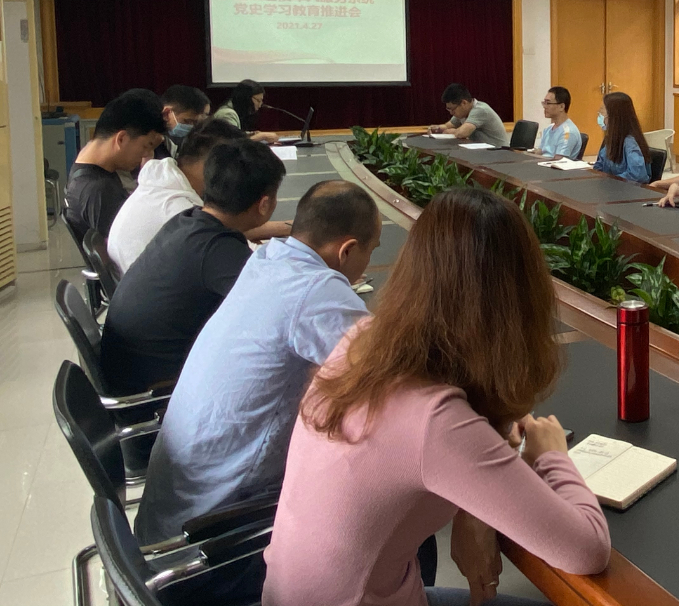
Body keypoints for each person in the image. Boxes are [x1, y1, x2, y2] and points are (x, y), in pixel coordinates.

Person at [262, 187, 610, 606]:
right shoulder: (434, 418)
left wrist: (474, 508)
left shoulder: (363, 343)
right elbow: (586, 549)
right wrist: (552, 455)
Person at [134, 182, 382, 591]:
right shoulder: (315, 291)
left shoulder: (268, 259)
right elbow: (392, 373)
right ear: (347, 250)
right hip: (212, 548)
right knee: (393, 525)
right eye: (371, 251)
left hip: (164, 529)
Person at [100, 139, 286, 395]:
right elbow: (278, 311)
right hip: (155, 390)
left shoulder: (187, 220)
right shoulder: (218, 249)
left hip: (128, 368)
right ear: (264, 204)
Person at [107, 119, 293, 274]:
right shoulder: (179, 210)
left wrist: (288, 228)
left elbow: (228, 229)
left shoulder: (164, 183)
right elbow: (252, 263)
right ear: (212, 163)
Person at [64, 88, 168, 247]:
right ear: (121, 139)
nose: (147, 155)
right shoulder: (99, 191)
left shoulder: (86, 164)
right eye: (147, 146)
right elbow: (137, 249)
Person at [592, 91, 650, 184]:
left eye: (602, 111)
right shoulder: (611, 139)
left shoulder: (630, 142)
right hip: (611, 187)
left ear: (614, 116)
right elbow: (600, 165)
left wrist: (610, 179)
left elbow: (637, 175)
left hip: (628, 189)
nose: (600, 115)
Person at [428, 83, 508, 147]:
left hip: (499, 153)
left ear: (464, 103)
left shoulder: (480, 110)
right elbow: (447, 126)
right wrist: (437, 129)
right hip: (484, 152)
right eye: (448, 109)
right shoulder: (462, 112)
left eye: (453, 109)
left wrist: (451, 132)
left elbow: (462, 133)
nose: (451, 113)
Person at [154, 84, 211, 160]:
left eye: (196, 123)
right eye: (188, 121)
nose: (192, 127)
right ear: (167, 113)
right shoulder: (150, 138)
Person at [213, 79, 279, 144]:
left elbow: (237, 134)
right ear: (246, 98)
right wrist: (261, 137)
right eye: (258, 100)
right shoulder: (227, 114)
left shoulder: (234, 110)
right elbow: (232, 143)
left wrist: (250, 134)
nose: (260, 105)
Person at [535, 86, 582, 158]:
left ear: (561, 107)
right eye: (544, 103)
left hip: (553, 164)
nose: (545, 106)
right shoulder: (549, 128)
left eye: (548, 103)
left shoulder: (568, 132)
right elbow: (539, 152)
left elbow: (559, 160)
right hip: (543, 163)